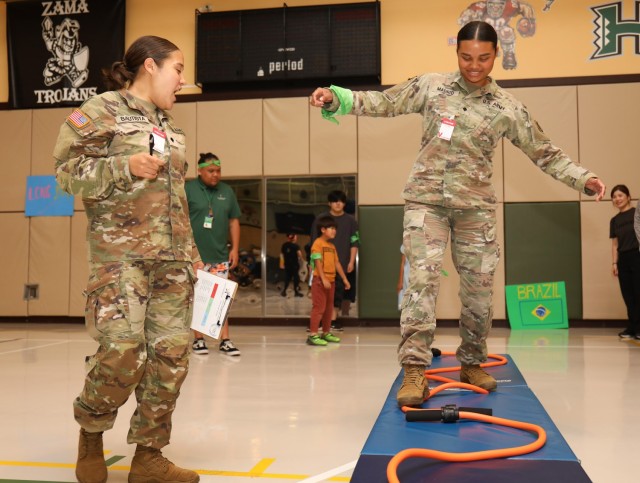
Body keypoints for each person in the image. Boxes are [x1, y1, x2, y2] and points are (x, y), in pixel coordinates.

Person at [310, 20, 606, 407]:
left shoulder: (508, 108)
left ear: (495, 55)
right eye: (466, 57)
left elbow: (544, 151)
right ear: (457, 54)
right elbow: (385, 101)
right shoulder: (432, 86)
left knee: (480, 294)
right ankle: (415, 369)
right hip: (426, 202)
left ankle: (472, 362)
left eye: (483, 58)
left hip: (475, 210)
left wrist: (584, 179)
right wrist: (337, 99)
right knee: (421, 283)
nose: (474, 66)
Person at [53, 36, 201, 483]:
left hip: (173, 260)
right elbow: (64, 174)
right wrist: (123, 166)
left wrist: (194, 256)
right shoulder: (99, 111)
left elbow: (175, 198)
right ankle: (91, 433)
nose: (183, 80)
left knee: (171, 356)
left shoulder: (169, 124)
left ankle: (149, 457)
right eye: (178, 69)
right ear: (151, 66)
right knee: (122, 351)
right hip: (121, 258)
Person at [186, 152, 241, 356]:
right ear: (199, 170)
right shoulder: (188, 189)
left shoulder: (226, 191)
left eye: (218, 170)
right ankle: (198, 340)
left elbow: (234, 220)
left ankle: (225, 340)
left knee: (221, 298)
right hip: (194, 257)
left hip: (219, 256)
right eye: (210, 171)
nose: (215, 174)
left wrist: (234, 248)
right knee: (199, 298)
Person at [310, 190, 360, 330]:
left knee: (336, 295)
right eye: (335, 201)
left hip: (341, 264)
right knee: (320, 296)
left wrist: (351, 261)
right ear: (329, 203)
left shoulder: (351, 221)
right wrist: (312, 264)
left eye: (341, 201)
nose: (338, 204)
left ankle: (331, 322)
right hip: (321, 265)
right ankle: (318, 324)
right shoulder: (321, 219)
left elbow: (354, 242)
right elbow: (313, 242)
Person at [307, 216, 351, 346]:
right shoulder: (317, 243)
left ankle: (326, 332)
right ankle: (313, 334)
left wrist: (344, 279)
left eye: (335, 229)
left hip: (331, 281)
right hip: (320, 281)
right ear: (322, 229)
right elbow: (317, 262)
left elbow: (337, 263)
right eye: (331, 228)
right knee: (318, 308)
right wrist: (323, 278)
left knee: (328, 308)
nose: (334, 231)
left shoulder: (331, 246)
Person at [611, 185, 640, 340]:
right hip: (623, 259)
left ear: (628, 197)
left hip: (638, 256)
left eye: (620, 195)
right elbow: (615, 244)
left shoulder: (637, 213)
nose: (617, 199)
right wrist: (614, 263)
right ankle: (632, 327)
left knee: (638, 293)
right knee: (628, 295)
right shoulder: (614, 220)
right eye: (614, 197)